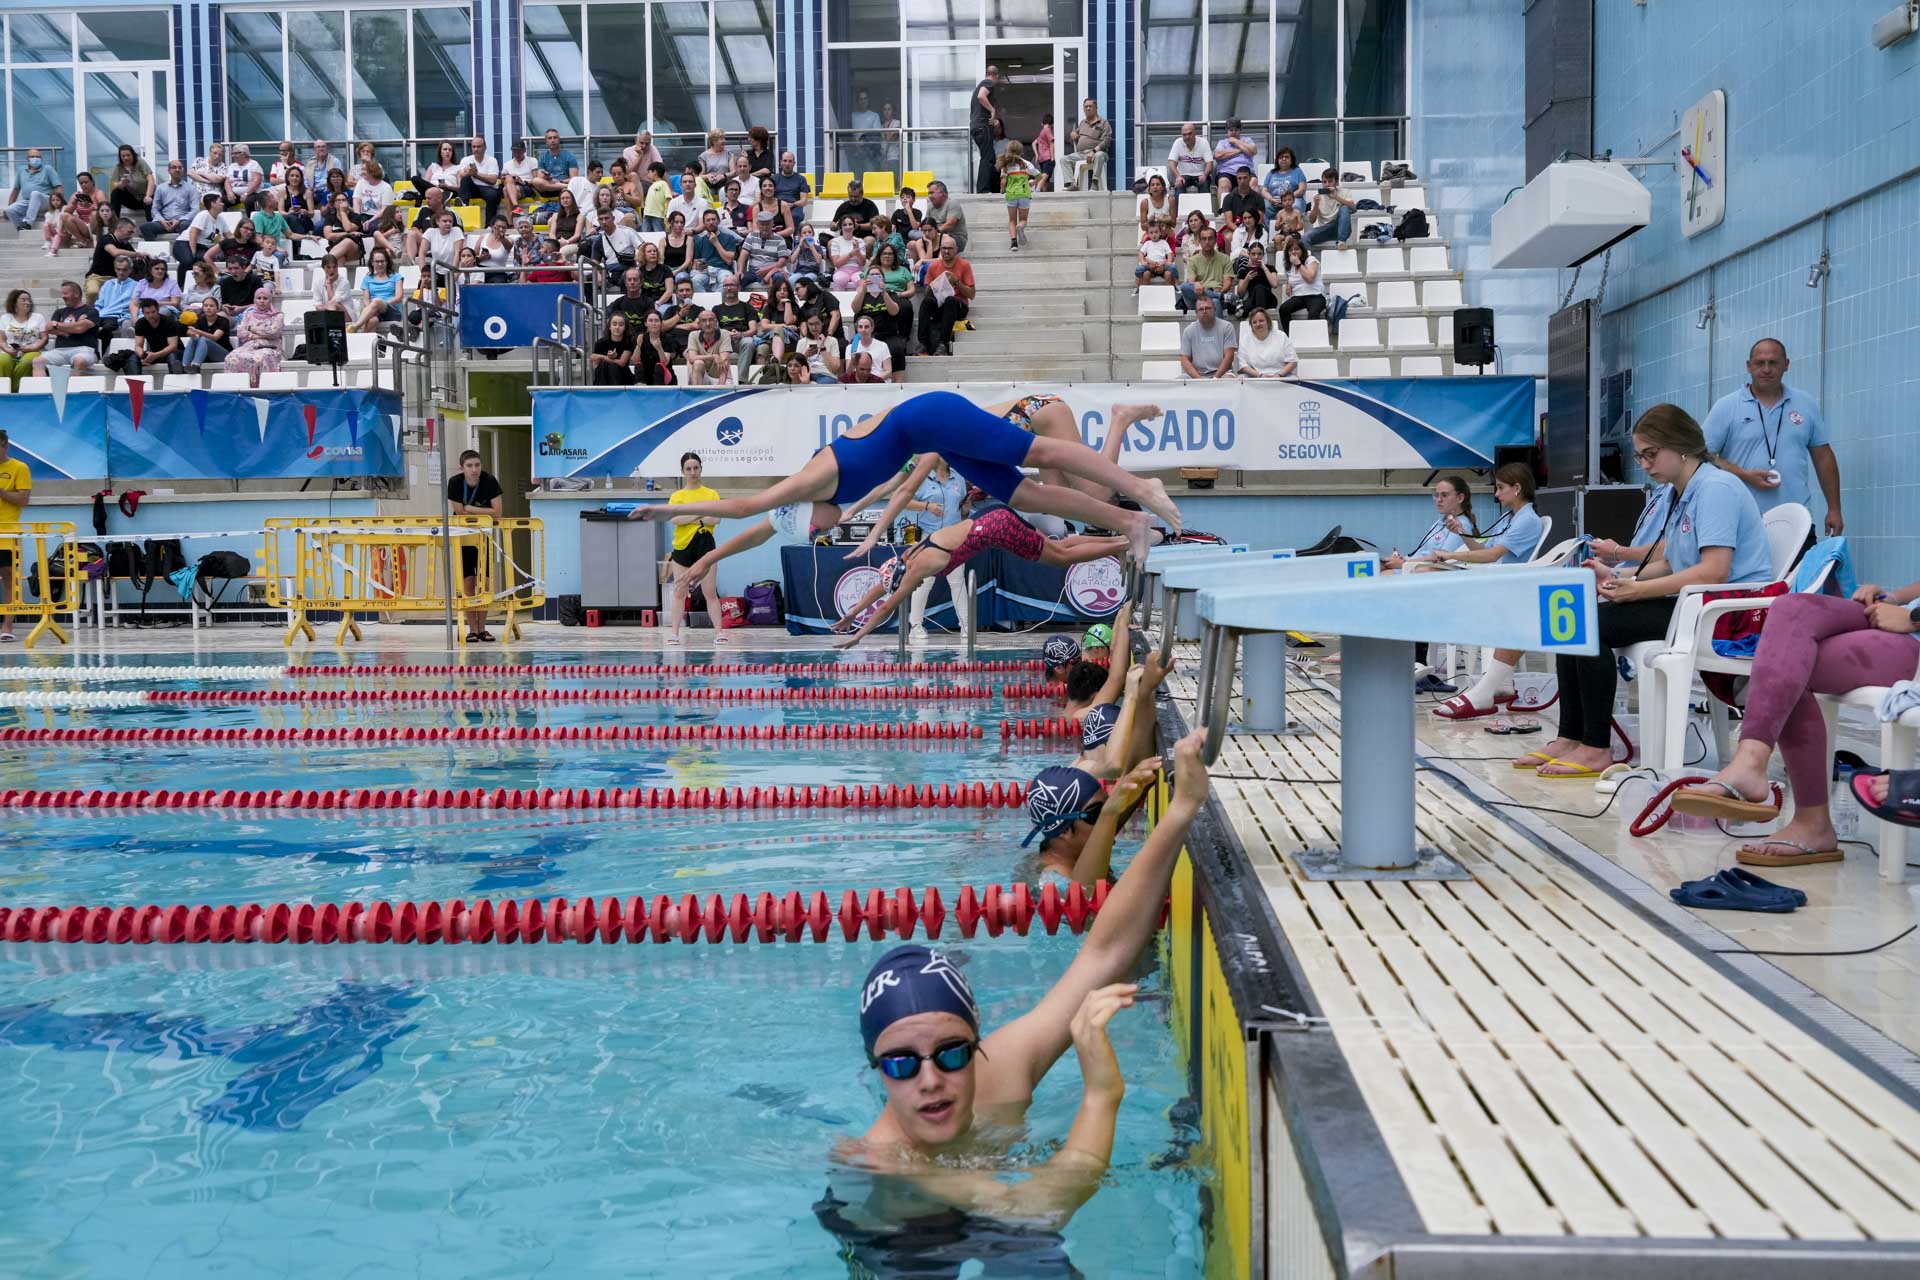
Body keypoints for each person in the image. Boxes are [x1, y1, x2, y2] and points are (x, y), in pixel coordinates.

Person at [829, 731, 1207, 1249]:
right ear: (875, 1065)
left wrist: (1180, 811)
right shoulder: (886, 1159)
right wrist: (1101, 1095)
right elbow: (1035, 1212)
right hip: (903, 1247)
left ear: (978, 1041)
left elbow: (1104, 954)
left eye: (952, 1053)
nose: (931, 1080)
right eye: (899, 1063)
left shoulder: (1004, 1066)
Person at [1516, 406, 1772, 778]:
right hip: (1692, 602)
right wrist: (1621, 578)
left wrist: (1638, 591)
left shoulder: (1715, 489)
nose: (1645, 464)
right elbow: (1671, 562)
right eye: (1641, 456)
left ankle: (1595, 746)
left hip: (1723, 613)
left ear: (1681, 447)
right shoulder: (1681, 492)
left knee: (1591, 625)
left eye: (1651, 454)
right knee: (1571, 615)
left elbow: (1714, 570)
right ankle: (1569, 737)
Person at [634, 390, 1182, 563]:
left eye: (816, 530)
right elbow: (760, 528)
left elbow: (745, 509)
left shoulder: (810, 481)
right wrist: (706, 557)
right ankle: (1126, 524)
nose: (827, 529)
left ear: (806, 512)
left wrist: (666, 509)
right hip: (936, 438)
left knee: (1037, 448)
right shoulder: (832, 500)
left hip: (930, 417)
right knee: (1036, 494)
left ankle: (1138, 490)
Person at [1669, 577, 1920, 866]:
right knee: (1791, 608)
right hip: (1902, 619)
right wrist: (1895, 596)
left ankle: (1808, 820)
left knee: (1792, 657)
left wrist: (1912, 619)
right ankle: (1751, 762)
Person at [831, 510, 1132, 648]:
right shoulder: (909, 554)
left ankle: (1123, 544)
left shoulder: (918, 568)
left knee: (1060, 558)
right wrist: (850, 615)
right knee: (1061, 548)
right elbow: (878, 591)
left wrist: (859, 636)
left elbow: (886, 607)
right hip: (992, 518)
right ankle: (1118, 541)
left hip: (997, 528)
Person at [1427, 462, 1551, 719]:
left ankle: (1487, 687)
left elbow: (1493, 555)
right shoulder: (1512, 517)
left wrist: (1449, 555)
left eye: (1500, 488)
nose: (1496, 494)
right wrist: (1462, 534)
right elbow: (1481, 551)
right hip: (1500, 583)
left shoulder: (1527, 520)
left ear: (1517, 488)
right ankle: (1500, 685)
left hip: (1511, 588)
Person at [1702, 338, 1841, 539]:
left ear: (1786, 365)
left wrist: (1834, 508)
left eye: (1773, 362)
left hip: (1797, 522)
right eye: (1760, 363)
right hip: (1742, 522)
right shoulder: (1727, 406)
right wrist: (1744, 474)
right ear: (1748, 366)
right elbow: (1701, 455)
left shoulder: (1805, 404)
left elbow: (1823, 457)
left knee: (1800, 571)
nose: (1766, 369)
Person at [892, 457, 972, 638]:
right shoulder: (922, 477)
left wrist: (965, 510)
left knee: (957, 581)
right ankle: (916, 626)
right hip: (929, 537)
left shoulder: (958, 478)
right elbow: (904, 500)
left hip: (954, 536)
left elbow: (961, 511)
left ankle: (965, 625)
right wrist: (926, 506)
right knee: (924, 582)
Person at [659, 452, 720, 645]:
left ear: (701, 469)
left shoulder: (711, 494)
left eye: (696, 468)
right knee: (680, 591)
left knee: (710, 591)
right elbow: (675, 519)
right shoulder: (677, 496)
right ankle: (675, 633)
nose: (693, 472)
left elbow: (716, 518)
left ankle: (719, 633)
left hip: (706, 546)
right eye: (689, 469)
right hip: (683, 548)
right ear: (683, 472)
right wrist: (700, 515)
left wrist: (691, 516)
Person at [918, 235, 975, 357]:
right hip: (939, 304)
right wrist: (932, 287)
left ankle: (943, 344)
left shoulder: (964, 265)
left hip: (958, 305)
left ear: (956, 250)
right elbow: (926, 294)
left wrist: (957, 282)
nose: (946, 251)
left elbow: (971, 294)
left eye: (949, 248)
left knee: (950, 300)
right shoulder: (933, 266)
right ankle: (922, 343)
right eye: (943, 248)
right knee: (927, 301)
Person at [0, 429, 29, 641]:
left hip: (8, 531)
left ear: (5, 446)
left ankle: (8, 625)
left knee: (9, 576)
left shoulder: (19, 468)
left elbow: (22, 500)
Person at [222, 288, 284, 386]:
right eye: (259, 298)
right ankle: (237, 389)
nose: (262, 301)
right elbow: (241, 332)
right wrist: (255, 335)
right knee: (231, 357)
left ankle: (262, 389)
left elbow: (273, 332)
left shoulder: (277, 315)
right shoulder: (248, 314)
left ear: (270, 300)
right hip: (250, 346)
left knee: (260, 358)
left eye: (265, 298)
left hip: (270, 347)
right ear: (255, 300)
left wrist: (252, 328)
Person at [41, 281, 102, 374]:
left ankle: (74, 388)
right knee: (38, 362)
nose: (63, 296)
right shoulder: (59, 312)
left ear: (76, 294)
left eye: (65, 293)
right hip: (60, 351)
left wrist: (57, 324)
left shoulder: (91, 311)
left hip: (84, 349)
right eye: (62, 294)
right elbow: (49, 328)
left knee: (79, 361)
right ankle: (44, 388)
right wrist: (71, 328)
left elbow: (79, 328)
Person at [1275, 236, 1327, 334]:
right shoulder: (1289, 265)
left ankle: (1313, 338)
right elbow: (1294, 278)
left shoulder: (1311, 260)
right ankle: (1290, 336)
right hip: (1298, 297)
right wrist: (1288, 283)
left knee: (1313, 313)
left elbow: (1310, 278)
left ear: (1302, 251)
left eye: (1297, 249)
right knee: (1283, 309)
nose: (1294, 252)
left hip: (1315, 295)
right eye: (1290, 250)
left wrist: (1298, 264)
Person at [1179, 294, 1235, 379]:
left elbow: (1229, 356)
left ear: (1215, 309)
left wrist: (1215, 378)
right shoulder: (1189, 330)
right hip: (1198, 375)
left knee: (1228, 379)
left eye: (1208, 308)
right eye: (1201, 309)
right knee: (1179, 381)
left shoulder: (1227, 327)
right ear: (1196, 313)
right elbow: (1184, 359)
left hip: (1223, 373)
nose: (1204, 311)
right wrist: (1199, 379)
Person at [998, 140, 1041, 251]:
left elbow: (1003, 182)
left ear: (1008, 150)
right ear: (1021, 151)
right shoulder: (1027, 164)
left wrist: (1003, 190)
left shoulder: (1006, 165)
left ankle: (1013, 244)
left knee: (1012, 220)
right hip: (1024, 194)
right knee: (1023, 219)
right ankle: (1020, 227)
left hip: (1011, 195)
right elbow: (1039, 175)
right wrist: (1033, 182)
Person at [0, 290, 48, 389]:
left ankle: (18, 393)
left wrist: (33, 347)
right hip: (9, 350)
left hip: (32, 350)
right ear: (14, 302)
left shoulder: (38, 317)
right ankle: (3, 391)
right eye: (24, 300)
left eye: (29, 300)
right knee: (2, 361)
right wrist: (7, 349)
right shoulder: (5, 318)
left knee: (25, 363)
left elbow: (44, 338)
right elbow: (1, 339)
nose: (28, 302)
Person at [149, 159, 205, 240]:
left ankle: (181, 248)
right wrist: (162, 221)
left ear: (183, 170)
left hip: (182, 222)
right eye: (174, 167)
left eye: (180, 167)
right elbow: (154, 209)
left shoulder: (191, 188)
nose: (177, 170)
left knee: (186, 225)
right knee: (145, 227)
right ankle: (155, 250)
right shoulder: (161, 188)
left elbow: (195, 209)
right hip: (165, 222)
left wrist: (179, 220)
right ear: (169, 170)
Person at [6, 148, 59, 231]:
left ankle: (28, 223)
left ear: (41, 159)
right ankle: (22, 229)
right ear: (27, 159)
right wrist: (10, 204)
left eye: (38, 156)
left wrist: (58, 205)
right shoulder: (21, 170)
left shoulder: (48, 169)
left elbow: (59, 187)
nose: (35, 158)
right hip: (28, 201)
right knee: (10, 210)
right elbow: (16, 189)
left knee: (35, 194)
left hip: (46, 200)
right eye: (32, 156)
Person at [1235, 306, 1297, 378]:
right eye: (1254, 322)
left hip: (1281, 375)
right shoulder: (1246, 339)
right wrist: (1260, 375)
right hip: (1255, 376)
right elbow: (1242, 365)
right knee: (1241, 378)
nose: (1258, 324)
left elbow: (1292, 361)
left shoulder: (1281, 336)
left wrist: (1279, 375)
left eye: (1261, 321)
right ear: (1251, 325)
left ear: (1268, 321)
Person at [970, 65, 1004, 195]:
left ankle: (990, 188)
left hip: (978, 126)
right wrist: (992, 110)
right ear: (996, 76)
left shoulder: (980, 84)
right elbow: (981, 96)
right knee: (987, 158)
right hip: (982, 127)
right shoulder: (988, 83)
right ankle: (983, 190)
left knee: (989, 157)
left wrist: (994, 120)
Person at [1065, 99, 1111, 192]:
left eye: (1091, 106)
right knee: (1064, 159)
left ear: (1096, 108)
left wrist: (1094, 151)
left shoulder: (1103, 123)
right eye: (1086, 107)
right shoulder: (1082, 123)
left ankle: (1095, 183)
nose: (1088, 108)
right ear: (1083, 109)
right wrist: (1074, 135)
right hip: (1081, 154)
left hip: (1098, 153)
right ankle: (1072, 184)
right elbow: (1077, 136)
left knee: (1099, 155)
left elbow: (1107, 140)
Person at [351, 247, 402, 332]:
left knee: (376, 301)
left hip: (392, 310)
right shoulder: (367, 278)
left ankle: (356, 326)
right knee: (372, 321)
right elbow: (366, 300)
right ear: (372, 263)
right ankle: (364, 342)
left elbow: (399, 297)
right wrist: (374, 308)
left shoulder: (396, 276)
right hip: (374, 310)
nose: (380, 264)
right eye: (377, 261)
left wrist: (381, 304)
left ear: (387, 262)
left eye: (382, 261)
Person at [130, 295, 183, 375]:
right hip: (155, 353)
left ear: (158, 310)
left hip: (176, 352)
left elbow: (173, 346)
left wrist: (155, 355)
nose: (151, 315)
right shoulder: (140, 323)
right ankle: (136, 381)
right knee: (133, 357)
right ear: (143, 313)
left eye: (153, 312)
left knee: (172, 356)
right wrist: (143, 355)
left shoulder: (168, 322)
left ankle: (176, 381)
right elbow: (138, 345)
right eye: (147, 313)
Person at [1229, 238, 1282, 318]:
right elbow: (1240, 293)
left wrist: (1264, 268)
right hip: (1252, 299)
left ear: (1263, 255)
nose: (1256, 257)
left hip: (1268, 298)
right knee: (1257, 291)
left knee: (1259, 288)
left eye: (1259, 254)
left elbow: (1275, 284)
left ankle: (1242, 308)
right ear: (1249, 255)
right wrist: (1247, 279)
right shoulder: (1245, 271)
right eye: (1253, 254)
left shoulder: (1270, 268)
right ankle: (1260, 316)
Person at [1179, 233, 1230, 314]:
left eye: (1210, 239)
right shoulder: (1193, 260)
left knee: (1215, 302)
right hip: (1197, 297)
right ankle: (1220, 297)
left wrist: (1222, 291)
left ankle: (1218, 296)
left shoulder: (1225, 259)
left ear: (1215, 240)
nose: (1207, 242)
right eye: (1204, 239)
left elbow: (1228, 282)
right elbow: (1190, 281)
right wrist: (1196, 283)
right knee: (1184, 286)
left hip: (1217, 293)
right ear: (1199, 241)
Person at [1304, 168, 1354, 247]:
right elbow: (1311, 220)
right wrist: (1316, 205)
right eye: (1324, 182)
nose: (1327, 184)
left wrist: (1336, 197)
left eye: (1330, 181)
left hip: (1341, 227)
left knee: (1345, 207)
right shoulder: (1317, 196)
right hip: (1324, 229)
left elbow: (1354, 208)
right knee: (1305, 237)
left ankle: (1341, 242)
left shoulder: (1345, 192)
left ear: (1336, 182)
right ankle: (1310, 259)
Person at [92, 254, 139, 337]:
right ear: (115, 269)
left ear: (130, 270)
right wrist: (92, 314)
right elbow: (99, 303)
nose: (121, 272)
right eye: (118, 269)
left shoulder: (136, 285)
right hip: (102, 314)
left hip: (116, 316)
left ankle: (101, 350)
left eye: (124, 270)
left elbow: (135, 305)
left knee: (106, 329)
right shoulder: (108, 284)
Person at [684, 310, 735, 386]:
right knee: (698, 363)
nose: (707, 324)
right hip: (701, 378)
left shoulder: (724, 334)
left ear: (716, 322)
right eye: (704, 321)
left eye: (711, 320)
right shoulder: (693, 335)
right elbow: (691, 358)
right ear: (699, 324)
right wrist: (713, 356)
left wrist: (720, 387)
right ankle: (696, 395)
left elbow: (725, 361)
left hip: (720, 378)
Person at [107, 145, 155, 221]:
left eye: (128, 155)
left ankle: (151, 224)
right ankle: (114, 221)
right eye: (123, 156)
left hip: (146, 197)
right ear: (120, 157)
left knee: (151, 199)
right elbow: (114, 184)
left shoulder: (140, 162)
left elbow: (151, 180)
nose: (126, 158)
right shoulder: (119, 167)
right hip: (132, 199)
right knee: (115, 192)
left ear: (133, 155)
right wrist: (121, 184)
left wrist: (148, 195)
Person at [1261, 146, 1309, 222]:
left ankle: (1293, 232)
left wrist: (1286, 199)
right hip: (1274, 201)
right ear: (1277, 160)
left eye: (1286, 157)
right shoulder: (1271, 173)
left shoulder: (1297, 171)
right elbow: (1264, 191)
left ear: (1291, 160)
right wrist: (1271, 199)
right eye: (1281, 157)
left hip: (1293, 200)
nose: (1284, 159)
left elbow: (1302, 189)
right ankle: (1270, 232)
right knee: (1264, 206)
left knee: (1297, 205)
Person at [633, 310, 677, 386]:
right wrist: (638, 346)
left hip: (664, 377)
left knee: (659, 366)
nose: (653, 324)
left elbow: (665, 362)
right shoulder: (640, 337)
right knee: (638, 366)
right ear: (646, 323)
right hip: (647, 376)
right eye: (650, 321)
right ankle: (640, 389)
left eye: (656, 321)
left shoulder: (667, 338)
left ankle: (658, 391)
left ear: (661, 323)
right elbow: (635, 360)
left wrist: (659, 348)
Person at [531, 129, 578, 198]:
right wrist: (548, 178)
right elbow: (540, 177)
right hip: (548, 188)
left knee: (574, 183)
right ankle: (566, 186)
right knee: (535, 181)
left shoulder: (569, 156)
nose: (553, 140)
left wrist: (559, 181)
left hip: (564, 188)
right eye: (550, 138)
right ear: (546, 141)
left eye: (555, 137)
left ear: (559, 140)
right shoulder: (543, 157)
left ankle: (565, 186)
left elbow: (574, 178)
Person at [1166, 122, 1211, 193]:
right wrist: (1178, 176)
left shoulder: (1204, 143)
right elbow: (1171, 162)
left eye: (1190, 133)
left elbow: (1210, 163)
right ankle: (1179, 204)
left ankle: (1204, 204)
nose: (1187, 136)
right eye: (1184, 134)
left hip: (1200, 174)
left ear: (1195, 133)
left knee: (1204, 184)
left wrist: (1204, 175)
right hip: (1183, 175)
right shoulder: (1178, 142)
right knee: (1179, 185)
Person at [1135, 216, 1180, 287]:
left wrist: (1166, 262)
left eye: (1156, 232)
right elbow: (1141, 253)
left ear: (1160, 233)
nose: (1154, 234)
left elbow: (1170, 253)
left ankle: (1177, 284)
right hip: (1150, 266)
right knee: (1139, 270)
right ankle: (1137, 286)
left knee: (1173, 268)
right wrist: (1145, 262)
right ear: (1148, 234)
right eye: (1151, 233)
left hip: (1162, 265)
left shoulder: (1164, 242)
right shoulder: (1147, 243)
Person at [1212, 119, 1257, 188]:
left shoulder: (1247, 140)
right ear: (1227, 130)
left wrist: (1235, 141)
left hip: (1246, 171)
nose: (1233, 132)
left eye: (1236, 130)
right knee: (1223, 183)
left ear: (1240, 130)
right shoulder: (1222, 142)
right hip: (1227, 171)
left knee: (1253, 182)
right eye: (1231, 130)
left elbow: (1253, 151)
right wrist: (1241, 150)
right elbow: (1218, 155)